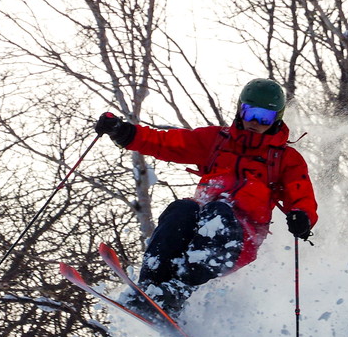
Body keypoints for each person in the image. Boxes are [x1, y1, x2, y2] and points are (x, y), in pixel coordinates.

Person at [93, 78, 317, 320]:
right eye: (250, 113)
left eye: (264, 118)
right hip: (200, 222)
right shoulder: (217, 141)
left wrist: (301, 216)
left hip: (239, 239)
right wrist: (124, 133)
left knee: (219, 211)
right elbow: (167, 143)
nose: (255, 122)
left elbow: (301, 192)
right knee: (182, 208)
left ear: (277, 119)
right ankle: (150, 287)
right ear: (240, 110)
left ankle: (177, 291)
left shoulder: (284, 158)